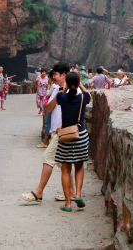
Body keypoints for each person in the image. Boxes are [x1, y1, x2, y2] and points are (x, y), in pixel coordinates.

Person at [20, 63, 69, 204]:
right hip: (55, 130)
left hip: (63, 131)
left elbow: (77, 109)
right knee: (64, 163)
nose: (53, 77)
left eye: (55, 75)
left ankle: (38, 192)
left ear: (63, 75)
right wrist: (58, 96)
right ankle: (71, 193)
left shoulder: (74, 90)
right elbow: (47, 108)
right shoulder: (56, 89)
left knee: (48, 158)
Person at [54, 71, 91, 211]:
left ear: (68, 83)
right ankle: (78, 194)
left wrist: (66, 87)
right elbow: (89, 95)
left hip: (65, 137)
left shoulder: (62, 97)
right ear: (78, 82)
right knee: (79, 166)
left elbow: (60, 95)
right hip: (80, 135)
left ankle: (68, 204)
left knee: (65, 169)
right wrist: (80, 84)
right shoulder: (83, 98)